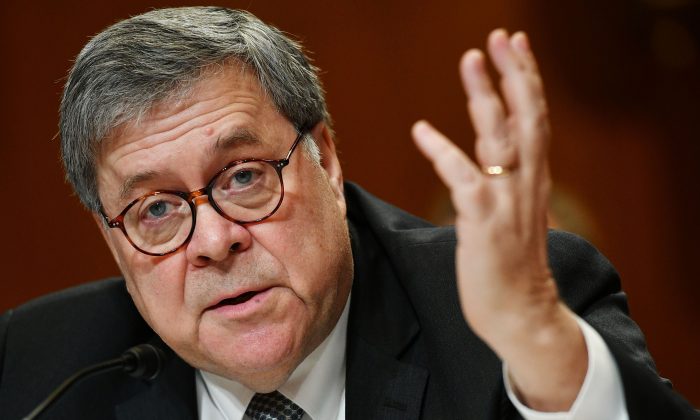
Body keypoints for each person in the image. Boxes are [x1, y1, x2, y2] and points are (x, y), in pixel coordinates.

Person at [0, 6, 697, 420]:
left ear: (326, 160)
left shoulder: (503, 321)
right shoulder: (39, 372)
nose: (212, 240)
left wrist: (543, 350)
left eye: (243, 176)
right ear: (110, 236)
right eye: (154, 209)